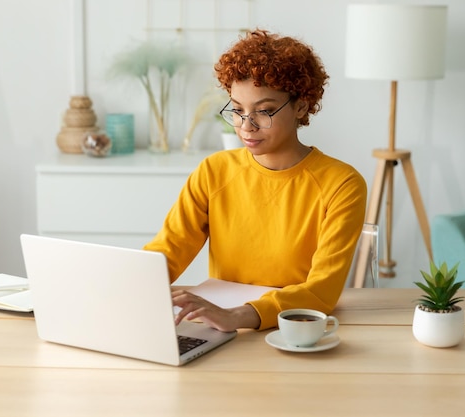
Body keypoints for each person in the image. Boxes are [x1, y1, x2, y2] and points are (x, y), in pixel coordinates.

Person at [144, 29, 367, 332]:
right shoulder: (214, 171)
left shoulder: (341, 184)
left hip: (298, 330)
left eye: (263, 111)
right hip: (220, 329)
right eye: (237, 110)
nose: (246, 126)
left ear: (301, 106)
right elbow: (168, 250)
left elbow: (322, 290)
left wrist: (237, 316)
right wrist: (127, 287)